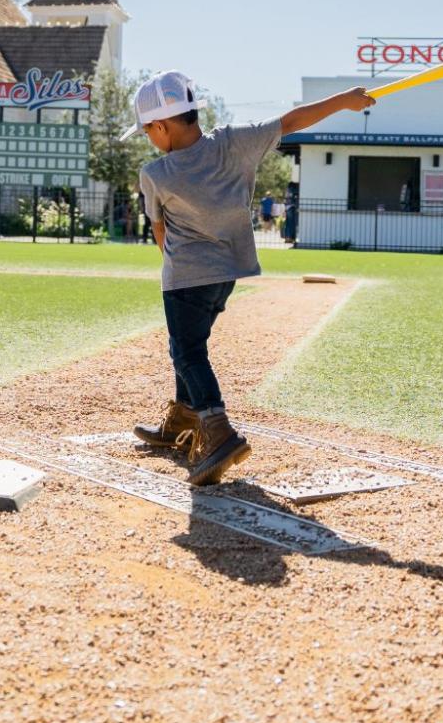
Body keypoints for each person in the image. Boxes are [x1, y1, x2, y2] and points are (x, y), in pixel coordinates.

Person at [129, 71, 376, 485]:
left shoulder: (156, 173)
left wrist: (172, 266)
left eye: (148, 131)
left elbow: (160, 231)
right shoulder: (233, 142)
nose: (149, 139)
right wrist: (344, 101)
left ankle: (217, 429)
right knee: (188, 345)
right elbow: (292, 121)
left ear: (162, 126)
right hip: (227, 274)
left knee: (187, 352)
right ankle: (180, 422)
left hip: (184, 277)